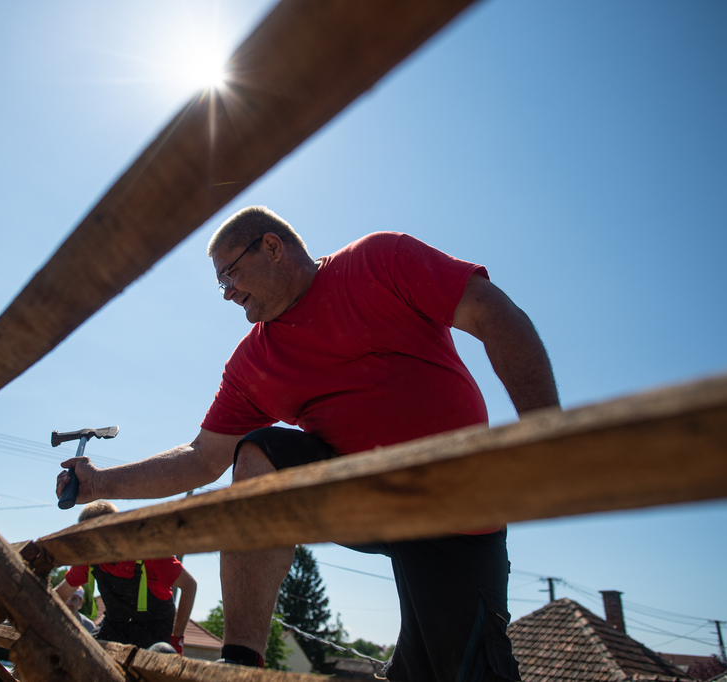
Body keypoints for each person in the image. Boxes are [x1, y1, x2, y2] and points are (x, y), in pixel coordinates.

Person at [56, 206, 560, 682]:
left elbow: (491, 313)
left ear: (271, 247)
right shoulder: (254, 363)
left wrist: (546, 438)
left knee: (454, 670)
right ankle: (241, 661)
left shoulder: (379, 261)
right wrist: (101, 482)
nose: (227, 292)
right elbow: (202, 458)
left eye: (230, 274)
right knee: (258, 452)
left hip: (457, 504)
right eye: (220, 284)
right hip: (360, 497)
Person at [53, 501, 198, 654]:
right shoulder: (89, 560)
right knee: (83, 654)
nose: (92, 545)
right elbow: (59, 595)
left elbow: (189, 586)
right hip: (115, 626)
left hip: (153, 630)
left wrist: (176, 640)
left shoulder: (149, 554)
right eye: (87, 539)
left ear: (114, 530)